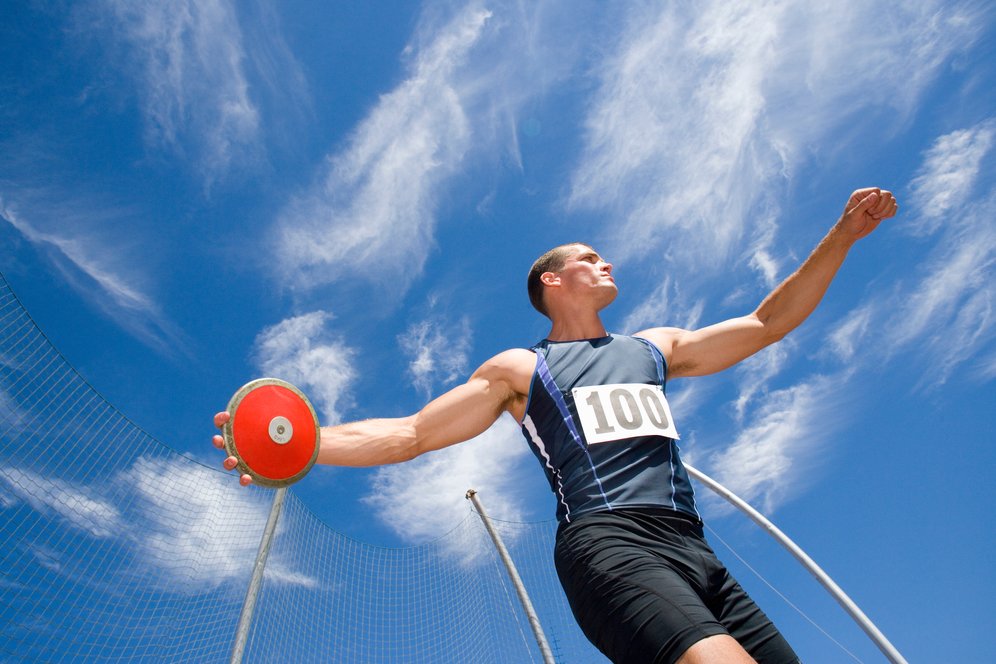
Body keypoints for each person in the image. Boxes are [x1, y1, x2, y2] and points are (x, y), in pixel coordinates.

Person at [213, 187, 898, 663]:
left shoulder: (655, 347)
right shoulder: (520, 368)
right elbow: (414, 433)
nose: (606, 263)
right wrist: (304, 445)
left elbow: (765, 324)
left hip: (696, 551)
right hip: (610, 545)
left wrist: (842, 236)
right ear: (552, 282)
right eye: (589, 258)